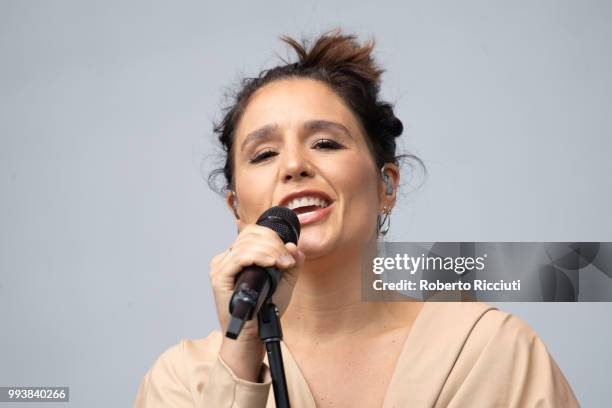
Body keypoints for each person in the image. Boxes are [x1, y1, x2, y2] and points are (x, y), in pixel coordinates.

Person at [134, 29, 579, 407]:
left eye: (326, 143)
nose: (294, 165)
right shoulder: (181, 382)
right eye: (265, 154)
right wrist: (239, 358)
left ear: (386, 185)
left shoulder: (495, 353)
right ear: (236, 209)